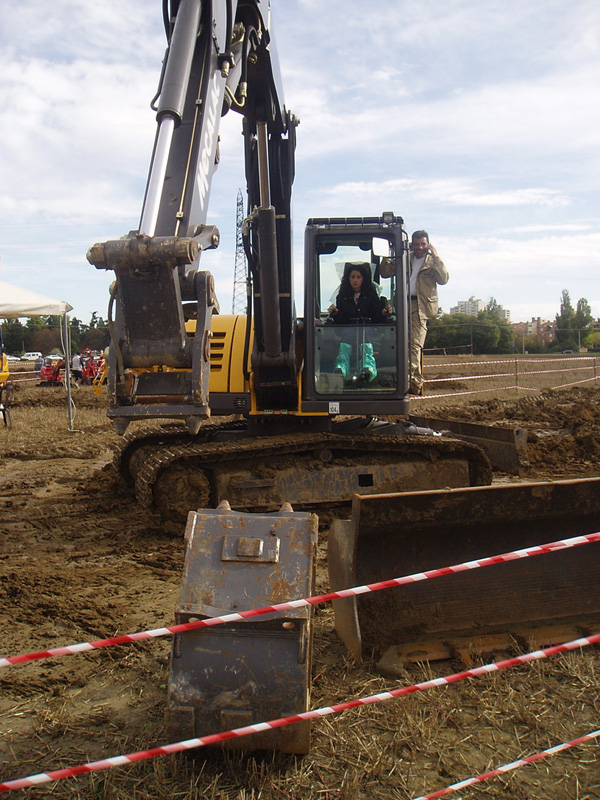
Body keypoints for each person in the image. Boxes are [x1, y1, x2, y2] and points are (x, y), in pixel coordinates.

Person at [327, 262, 391, 382]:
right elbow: (342, 321)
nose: (355, 280)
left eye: (358, 277)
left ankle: (368, 368)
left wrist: (383, 312)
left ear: (364, 279)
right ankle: (342, 368)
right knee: (347, 332)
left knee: (365, 333)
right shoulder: (342, 296)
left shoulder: (371, 295)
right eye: (352, 277)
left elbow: (376, 317)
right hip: (347, 331)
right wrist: (336, 313)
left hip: (368, 331)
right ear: (348, 279)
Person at [409, 230, 449, 394]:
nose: (420, 247)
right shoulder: (404, 258)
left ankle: (407, 379)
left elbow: (443, 279)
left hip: (421, 306)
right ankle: (415, 384)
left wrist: (436, 257)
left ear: (428, 245)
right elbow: (386, 272)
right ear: (411, 244)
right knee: (404, 344)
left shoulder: (432, 261)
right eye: (417, 244)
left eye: (423, 244)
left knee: (414, 345)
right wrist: (390, 255)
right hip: (402, 304)